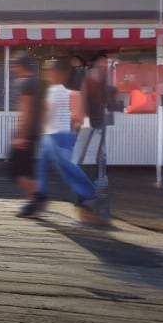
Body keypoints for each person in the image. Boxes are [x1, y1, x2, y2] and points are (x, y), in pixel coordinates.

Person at [31, 59, 104, 224]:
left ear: (58, 73)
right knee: (42, 168)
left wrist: (38, 127)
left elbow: (49, 113)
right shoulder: (61, 91)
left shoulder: (57, 91)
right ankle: (40, 198)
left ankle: (89, 194)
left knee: (67, 167)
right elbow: (75, 117)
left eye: (49, 70)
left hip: (58, 135)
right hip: (54, 134)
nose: (46, 73)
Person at [8, 54, 46, 218]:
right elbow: (43, 108)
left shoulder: (24, 83)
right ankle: (33, 199)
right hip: (34, 131)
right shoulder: (38, 83)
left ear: (20, 66)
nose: (12, 68)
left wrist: (21, 135)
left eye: (14, 65)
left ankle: (35, 199)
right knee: (26, 169)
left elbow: (27, 110)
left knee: (17, 170)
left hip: (26, 133)